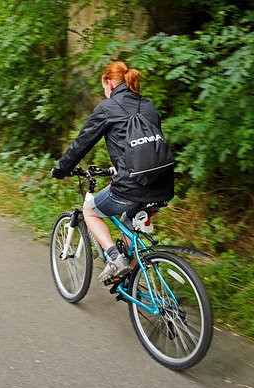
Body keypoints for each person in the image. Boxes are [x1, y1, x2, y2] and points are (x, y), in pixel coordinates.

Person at [51, 61, 174, 283]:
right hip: (163, 185)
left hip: (132, 186)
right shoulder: (148, 105)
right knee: (128, 223)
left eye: (103, 86)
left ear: (108, 83)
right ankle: (129, 280)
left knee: (90, 211)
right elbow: (146, 146)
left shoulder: (108, 107)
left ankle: (115, 258)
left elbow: (82, 143)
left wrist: (62, 170)